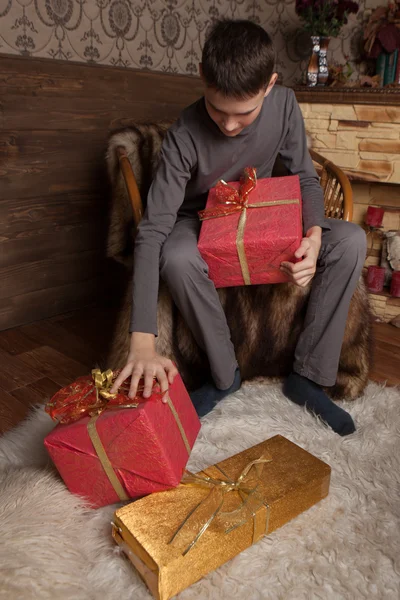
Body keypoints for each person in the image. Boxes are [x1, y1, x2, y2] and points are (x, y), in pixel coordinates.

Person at [111, 19, 366, 436]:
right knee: (174, 256)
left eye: (243, 113)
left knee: (352, 240)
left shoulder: (284, 105)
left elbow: (305, 177)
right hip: (195, 223)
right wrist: (141, 340)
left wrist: (315, 238)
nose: (228, 125)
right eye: (217, 110)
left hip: (258, 215)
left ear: (269, 85)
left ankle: (309, 376)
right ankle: (224, 375)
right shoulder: (184, 135)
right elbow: (153, 231)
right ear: (202, 78)